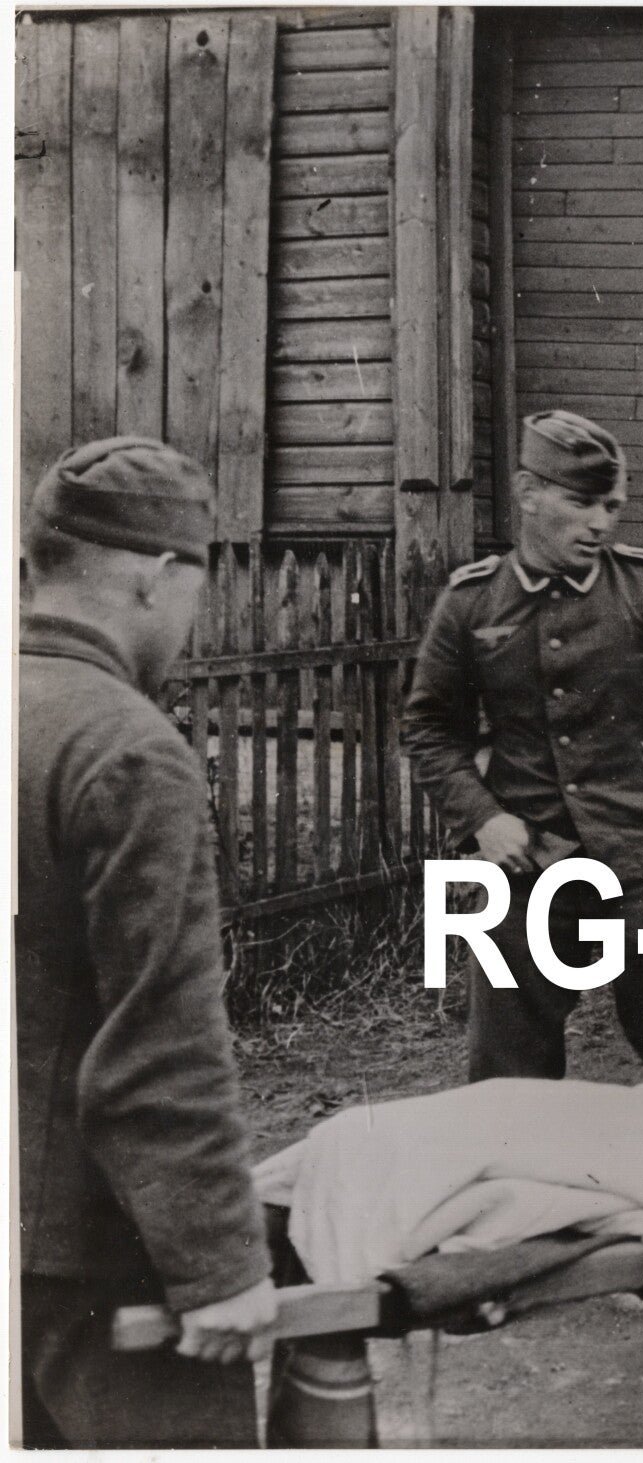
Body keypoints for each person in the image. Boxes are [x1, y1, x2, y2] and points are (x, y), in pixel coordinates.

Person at [16, 438, 279, 1445]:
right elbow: (161, 1042)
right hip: (88, 1256)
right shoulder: (127, 751)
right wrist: (218, 1269)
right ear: (157, 577)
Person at [404, 409, 643, 1082]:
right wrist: (483, 818)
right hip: (528, 863)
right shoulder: (472, 603)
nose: (600, 523)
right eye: (581, 502)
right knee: (507, 1079)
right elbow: (429, 729)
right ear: (527, 492)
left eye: (611, 506)